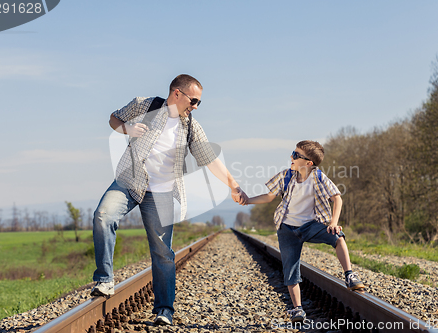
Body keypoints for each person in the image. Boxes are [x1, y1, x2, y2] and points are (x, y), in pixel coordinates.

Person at [91, 74, 247, 326]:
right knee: (103, 215)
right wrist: (126, 128)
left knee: (163, 253)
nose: (195, 106)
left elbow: (209, 158)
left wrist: (233, 185)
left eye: (199, 103)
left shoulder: (191, 126)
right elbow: (114, 117)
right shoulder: (145, 106)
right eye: (194, 100)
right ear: (177, 94)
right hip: (130, 181)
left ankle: (164, 310)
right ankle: (104, 279)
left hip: (162, 193)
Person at [244, 140, 364, 323]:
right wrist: (247, 200)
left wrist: (333, 222)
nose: (291, 157)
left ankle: (350, 276)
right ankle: (298, 309)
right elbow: (269, 197)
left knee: (337, 236)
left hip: (310, 226)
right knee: (290, 269)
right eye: (293, 153)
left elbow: (337, 199)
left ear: (309, 163)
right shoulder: (286, 176)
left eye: (296, 155)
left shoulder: (319, 177)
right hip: (286, 229)